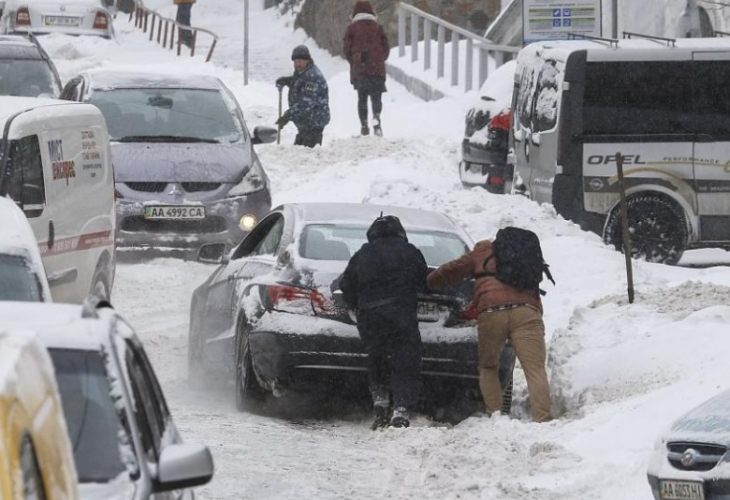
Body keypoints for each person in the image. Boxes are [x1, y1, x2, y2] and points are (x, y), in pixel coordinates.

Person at [426, 236, 553, 423]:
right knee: (535, 369)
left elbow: (451, 270)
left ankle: (496, 417)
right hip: (527, 311)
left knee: (488, 366)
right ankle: (543, 419)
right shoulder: (523, 254)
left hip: (492, 312)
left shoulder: (482, 251)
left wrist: (431, 282)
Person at [338, 215, 428, 429]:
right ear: (400, 232)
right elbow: (422, 280)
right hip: (401, 313)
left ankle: (380, 403)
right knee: (405, 360)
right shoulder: (410, 252)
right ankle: (402, 409)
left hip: (370, 316)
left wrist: (357, 304)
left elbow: (346, 284)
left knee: (376, 357)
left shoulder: (363, 254)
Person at [343, 0, 389, 137]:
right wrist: (379, 59)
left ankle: (364, 125)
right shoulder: (378, 27)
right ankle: (376, 117)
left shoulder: (352, 28)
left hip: (360, 68)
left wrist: (354, 61)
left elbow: (347, 49)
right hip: (377, 69)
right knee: (376, 97)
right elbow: (386, 48)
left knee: (362, 98)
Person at [275, 45, 331, 148]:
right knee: (299, 151)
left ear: (307, 60)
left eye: (300, 61)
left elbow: (306, 104)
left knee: (308, 153)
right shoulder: (303, 72)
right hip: (306, 122)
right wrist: (289, 81)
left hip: (314, 121)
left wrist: (287, 116)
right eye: (295, 62)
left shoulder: (312, 77)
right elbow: (300, 82)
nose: (297, 64)